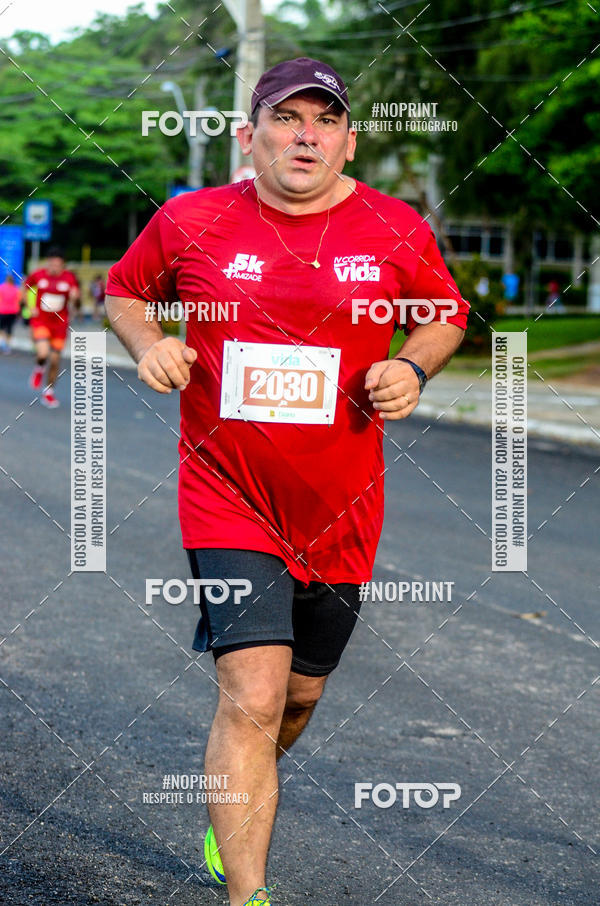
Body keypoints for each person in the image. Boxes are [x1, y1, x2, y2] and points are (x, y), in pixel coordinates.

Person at [106, 57, 469, 906]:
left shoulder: (395, 225)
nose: (305, 134)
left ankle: (235, 804)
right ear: (250, 133)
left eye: (324, 120)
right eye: (286, 117)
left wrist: (411, 367)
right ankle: (249, 892)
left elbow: (444, 313)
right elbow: (125, 292)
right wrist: (150, 341)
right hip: (226, 494)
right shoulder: (192, 219)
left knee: (299, 696)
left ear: (348, 141)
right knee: (253, 695)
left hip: (341, 508)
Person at [24, 247, 79, 408]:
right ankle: (39, 367)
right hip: (41, 320)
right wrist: (29, 306)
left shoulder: (69, 278)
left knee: (55, 360)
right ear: (48, 263)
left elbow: (76, 302)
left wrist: (75, 299)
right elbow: (25, 287)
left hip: (60, 324)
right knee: (43, 352)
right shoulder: (38, 275)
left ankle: (48, 392)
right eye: (52, 264)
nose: (54, 267)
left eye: (58, 264)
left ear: (63, 265)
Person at [0, 274, 21, 354]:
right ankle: (7, 346)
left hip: (2, 310)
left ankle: (2, 342)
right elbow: (18, 301)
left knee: (1, 327)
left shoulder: (1, 287)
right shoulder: (16, 289)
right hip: (13, 311)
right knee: (9, 328)